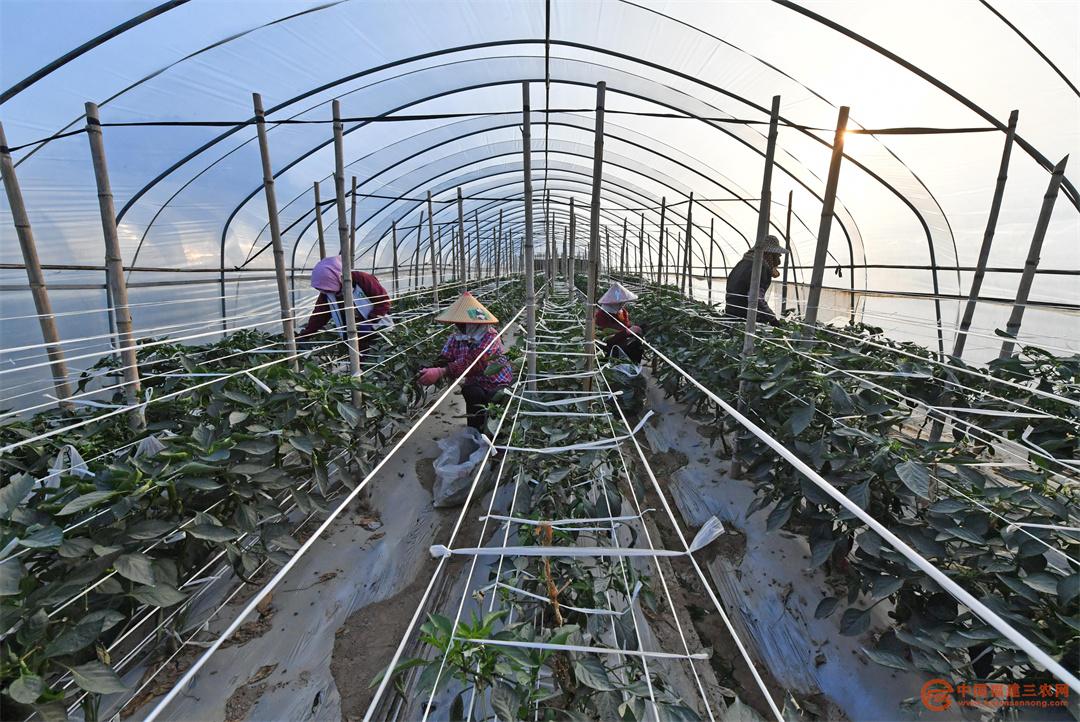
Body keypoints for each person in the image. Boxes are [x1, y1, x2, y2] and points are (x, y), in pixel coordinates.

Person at [418, 292, 512, 432]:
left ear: (474, 323)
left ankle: (496, 436)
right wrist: (429, 368)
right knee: (472, 394)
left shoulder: (490, 336)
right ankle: (474, 431)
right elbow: (445, 357)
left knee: (495, 399)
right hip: (475, 382)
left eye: (462, 323)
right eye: (458, 322)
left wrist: (442, 371)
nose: (458, 325)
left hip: (497, 381)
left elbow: (477, 363)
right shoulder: (457, 338)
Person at [297, 255, 392, 351]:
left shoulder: (362, 279)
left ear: (336, 277)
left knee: (382, 354)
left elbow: (383, 302)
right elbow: (320, 315)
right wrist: (306, 334)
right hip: (354, 336)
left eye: (327, 287)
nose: (326, 291)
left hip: (379, 331)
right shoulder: (327, 293)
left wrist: (371, 321)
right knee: (362, 360)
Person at [724, 235, 786, 326]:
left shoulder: (742, 263)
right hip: (745, 318)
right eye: (776, 256)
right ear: (769, 254)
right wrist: (772, 318)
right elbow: (756, 298)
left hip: (731, 313)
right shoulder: (760, 268)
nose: (778, 261)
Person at [595, 282, 645, 364]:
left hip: (621, 342)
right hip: (609, 348)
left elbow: (626, 326)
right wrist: (627, 331)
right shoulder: (601, 315)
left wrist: (635, 329)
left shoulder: (622, 312)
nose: (622, 305)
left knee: (638, 346)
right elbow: (605, 339)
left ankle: (633, 367)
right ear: (611, 303)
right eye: (620, 303)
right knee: (632, 347)